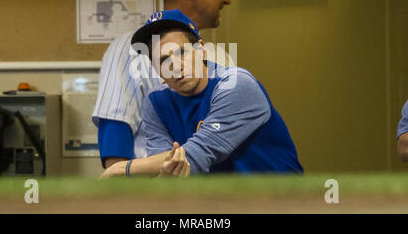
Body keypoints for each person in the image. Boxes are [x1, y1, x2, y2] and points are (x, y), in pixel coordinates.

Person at [92, 0, 247, 170]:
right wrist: (122, 188)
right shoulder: (131, 47)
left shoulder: (221, 57)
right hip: (155, 193)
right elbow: (115, 124)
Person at [100, 9, 303, 177]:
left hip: (281, 202)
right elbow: (168, 172)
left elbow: (196, 156)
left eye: (182, 52)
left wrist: (121, 168)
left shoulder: (236, 84)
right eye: (163, 60)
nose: (176, 66)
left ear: (201, 50)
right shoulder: (156, 101)